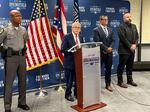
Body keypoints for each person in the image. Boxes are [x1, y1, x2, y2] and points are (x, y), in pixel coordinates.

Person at [0, 10, 30, 112]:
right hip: (11, 59)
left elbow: (26, 40)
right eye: (17, 16)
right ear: (11, 18)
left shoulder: (23, 29)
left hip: (22, 58)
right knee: (9, 84)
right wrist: (4, 50)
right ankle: (7, 107)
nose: (20, 17)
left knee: (23, 82)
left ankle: (22, 103)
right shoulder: (5, 30)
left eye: (20, 16)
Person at [61, 21, 83, 101]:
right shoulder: (66, 37)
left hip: (78, 63)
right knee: (69, 81)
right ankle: (68, 95)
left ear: (80, 29)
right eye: (75, 27)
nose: (77, 29)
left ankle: (77, 93)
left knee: (78, 80)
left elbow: (82, 48)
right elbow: (62, 50)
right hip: (69, 63)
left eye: (78, 27)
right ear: (72, 28)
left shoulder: (81, 37)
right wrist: (72, 51)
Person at [117, 12, 139, 88]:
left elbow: (137, 37)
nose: (129, 18)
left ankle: (130, 80)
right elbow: (123, 38)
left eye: (130, 16)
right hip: (124, 50)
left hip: (132, 50)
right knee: (121, 66)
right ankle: (120, 82)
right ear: (123, 19)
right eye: (127, 17)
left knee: (130, 66)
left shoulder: (134, 26)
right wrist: (130, 46)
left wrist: (135, 44)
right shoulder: (120, 26)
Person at [93, 15, 114, 92]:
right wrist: (106, 48)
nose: (105, 21)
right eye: (104, 19)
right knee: (98, 70)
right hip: (100, 54)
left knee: (108, 70)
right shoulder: (96, 30)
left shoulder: (110, 29)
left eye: (106, 19)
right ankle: (96, 86)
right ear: (100, 20)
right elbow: (97, 42)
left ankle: (108, 84)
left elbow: (113, 40)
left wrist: (110, 48)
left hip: (109, 54)